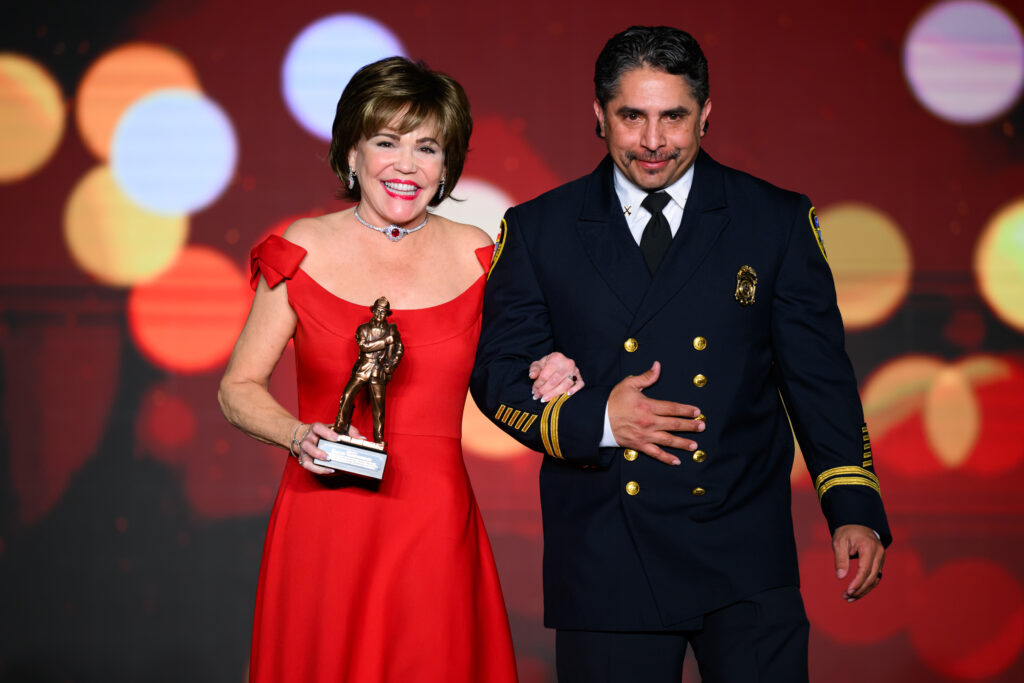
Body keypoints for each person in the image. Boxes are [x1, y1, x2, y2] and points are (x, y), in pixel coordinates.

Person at [470, 25, 891, 683]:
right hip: (606, 552)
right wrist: (602, 421)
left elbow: (821, 381)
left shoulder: (774, 221)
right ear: (599, 117)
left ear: (706, 115)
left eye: (674, 116)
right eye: (631, 116)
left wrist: (854, 507)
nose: (653, 140)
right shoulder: (538, 229)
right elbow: (496, 377)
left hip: (744, 547)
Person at [218, 56, 584, 683]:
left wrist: (554, 367)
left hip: (432, 522)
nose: (407, 166)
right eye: (386, 142)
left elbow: (518, 369)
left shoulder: (481, 256)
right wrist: (298, 436)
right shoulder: (299, 248)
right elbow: (237, 388)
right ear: (351, 154)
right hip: (322, 520)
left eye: (428, 148)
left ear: (447, 166)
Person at [333, 296, 403, 443]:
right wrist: (385, 342)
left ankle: (379, 440)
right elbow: (364, 346)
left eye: (383, 312)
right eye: (377, 311)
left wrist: (392, 365)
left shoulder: (392, 331)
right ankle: (339, 427)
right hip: (363, 367)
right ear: (373, 311)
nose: (379, 314)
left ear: (387, 314)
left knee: (379, 408)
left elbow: (399, 349)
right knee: (347, 395)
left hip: (379, 371)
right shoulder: (363, 329)